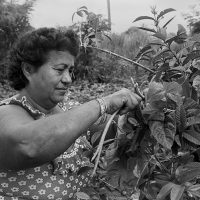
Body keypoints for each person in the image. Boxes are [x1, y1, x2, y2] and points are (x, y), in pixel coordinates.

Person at [0, 27, 141, 200]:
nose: (68, 79)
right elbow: (28, 146)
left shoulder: (70, 109)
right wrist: (103, 103)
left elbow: (108, 131)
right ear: (28, 70)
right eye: (60, 70)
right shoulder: (6, 112)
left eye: (70, 71)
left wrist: (140, 112)